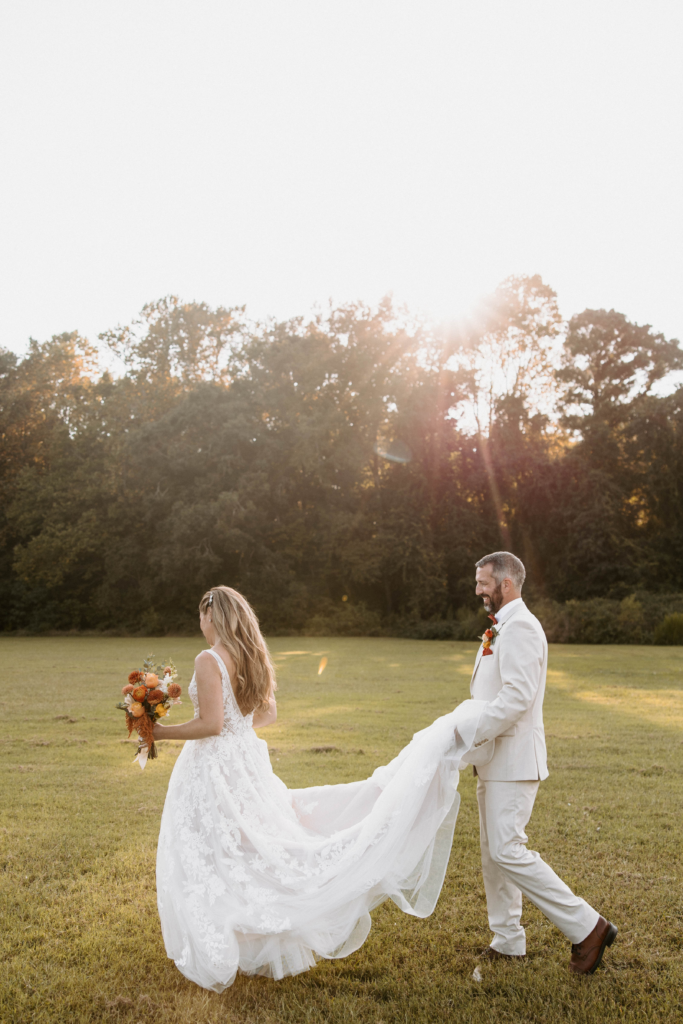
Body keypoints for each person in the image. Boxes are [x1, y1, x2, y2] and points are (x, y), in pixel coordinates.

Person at [153, 585, 487, 992]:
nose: (200, 625)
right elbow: (267, 714)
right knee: (250, 846)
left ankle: (231, 927)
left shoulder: (208, 659)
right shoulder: (250, 653)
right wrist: (239, 734)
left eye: (201, 617)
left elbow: (211, 725)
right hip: (245, 762)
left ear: (213, 615)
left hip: (215, 768)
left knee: (215, 848)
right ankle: (252, 930)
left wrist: (158, 731)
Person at [461, 551, 617, 974]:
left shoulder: (523, 629)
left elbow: (516, 698)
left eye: (483, 582)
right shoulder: (500, 629)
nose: (477, 589)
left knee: (509, 849)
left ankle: (588, 927)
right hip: (492, 760)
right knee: (494, 853)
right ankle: (508, 939)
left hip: (513, 760)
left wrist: (468, 732)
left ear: (506, 584)